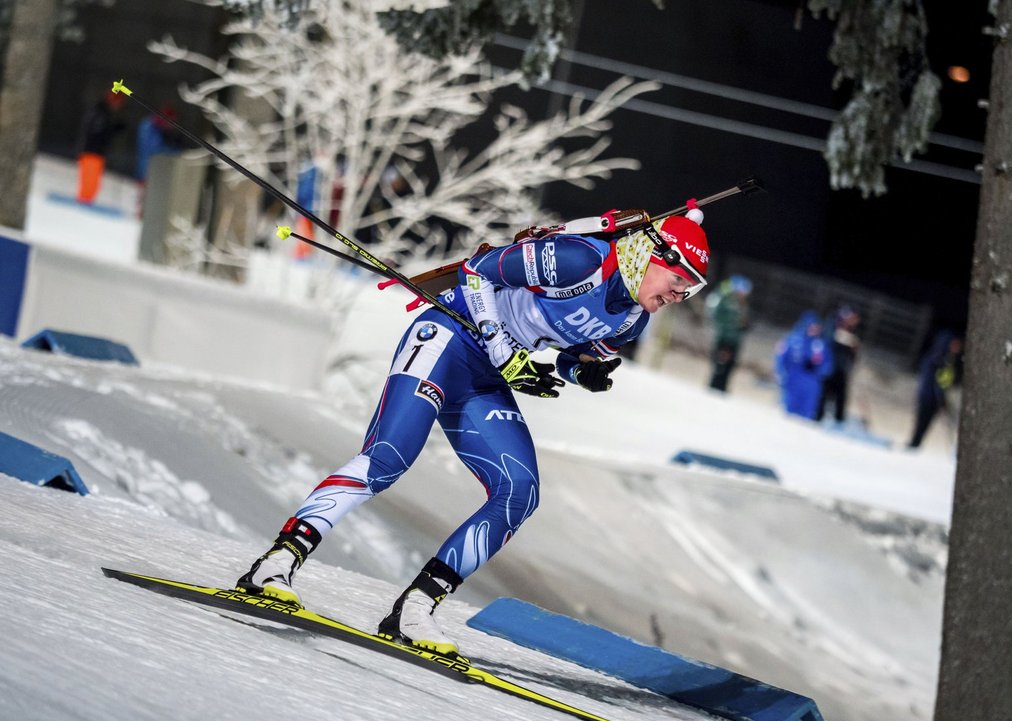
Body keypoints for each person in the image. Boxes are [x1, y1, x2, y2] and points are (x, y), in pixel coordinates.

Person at [236, 210, 711, 659]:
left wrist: (580, 370)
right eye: (678, 280)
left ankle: (416, 608)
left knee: (519, 493)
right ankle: (277, 563)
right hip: (448, 337)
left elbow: (572, 348)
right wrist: (503, 347)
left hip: (485, 377)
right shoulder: (579, 259)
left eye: (689, 290)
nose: (679, 296)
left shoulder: (633, 320)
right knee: (388, 458)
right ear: (653, 254)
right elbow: (478, 270)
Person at [908, 330, 963, 448]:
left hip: (940, 396)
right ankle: (914, 443)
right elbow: (931, 379)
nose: (957, 348)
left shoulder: (952, 360)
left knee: (928, 422)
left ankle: (917, 443)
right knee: (922, 421)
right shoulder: (937, 359)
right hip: (929, 396)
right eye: (954, 344)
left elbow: (948, 379)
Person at [775, 310, 832, 420]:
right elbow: (781, 357)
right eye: (812, 326)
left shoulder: (820, 345)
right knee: (788, 414)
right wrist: (781, 373)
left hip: (811, 384)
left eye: (817, 327)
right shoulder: (792, 340)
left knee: (805, 417)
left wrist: (817, 369)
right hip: (793, 380)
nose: (814, 330)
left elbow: (828, 365)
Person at [76, 90, 127, 204]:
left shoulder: (104, 113)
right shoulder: (99, 112)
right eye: (117, 103)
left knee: (94, 184)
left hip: (97, 153)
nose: (118, 106)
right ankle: (83, 205)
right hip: (91, 152)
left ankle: (86, 204)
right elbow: (97, 132)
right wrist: (113, 129)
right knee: (89, 184)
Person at [705, 274, 751, 392]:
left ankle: (722, 389)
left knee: (729, 367)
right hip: (724, 338)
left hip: (735, 340)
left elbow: (744, 320)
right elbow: (714, 313)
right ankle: (714, 388)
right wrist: (731, 323)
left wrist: (744, 326)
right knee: (720, 365)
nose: (744, 295)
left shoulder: (742, 304)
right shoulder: (725, 298)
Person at [817, 305, 861, 423]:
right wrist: (848, 340)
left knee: (841, 397)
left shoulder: (852, 331)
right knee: (824, 394)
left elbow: (854, 352)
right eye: (852, 319)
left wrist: (853, 355)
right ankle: (818, 416)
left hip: (842, 369)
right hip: (829, 366)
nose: (853, 322)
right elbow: (829, 338)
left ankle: (839, 421)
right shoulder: (832, 324)